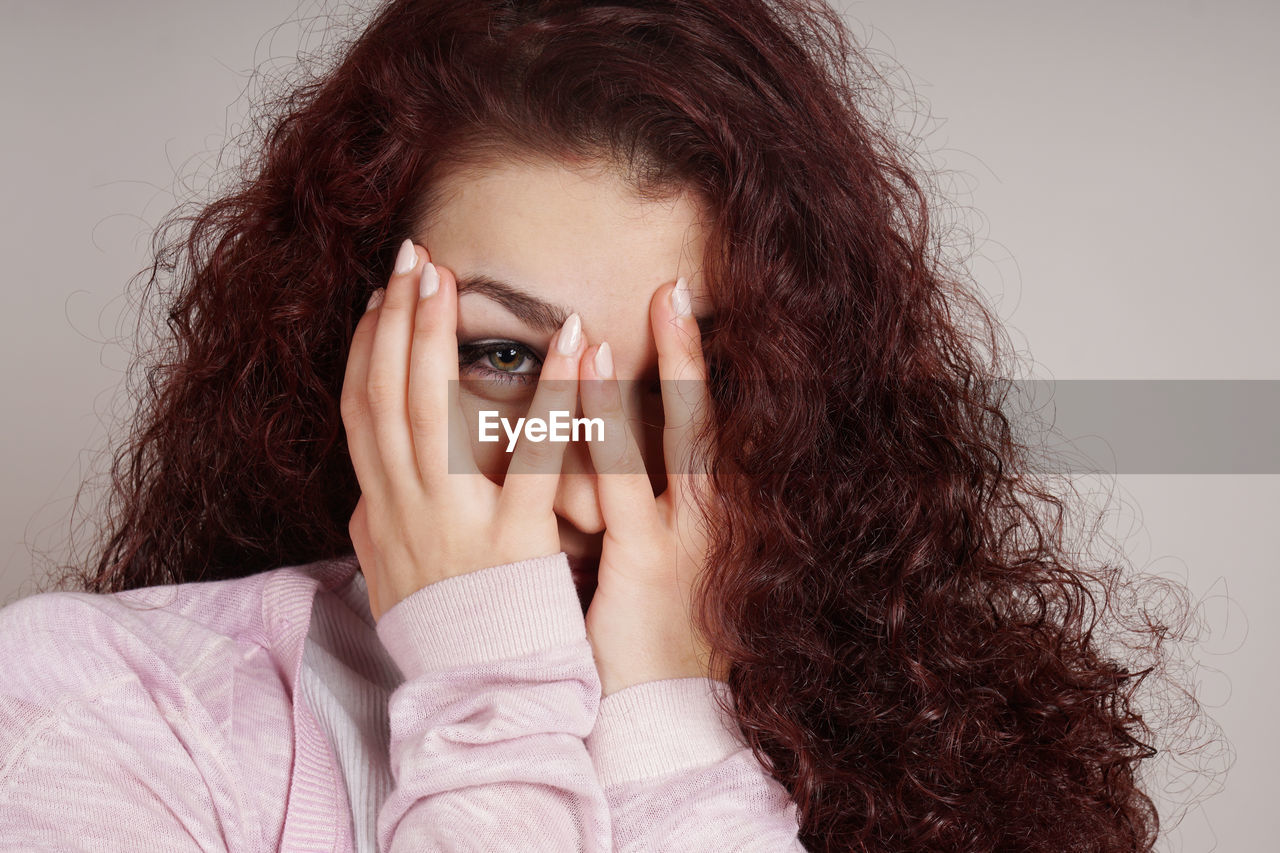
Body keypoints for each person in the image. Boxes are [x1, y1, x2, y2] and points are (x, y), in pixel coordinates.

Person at [0, 1, 1210, 850]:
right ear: (348, 345)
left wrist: (669, 732)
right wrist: (490, 686)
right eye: (503, 356)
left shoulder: (937, 767)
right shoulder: (102, 715)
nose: (589, 488)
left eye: (691, 387)